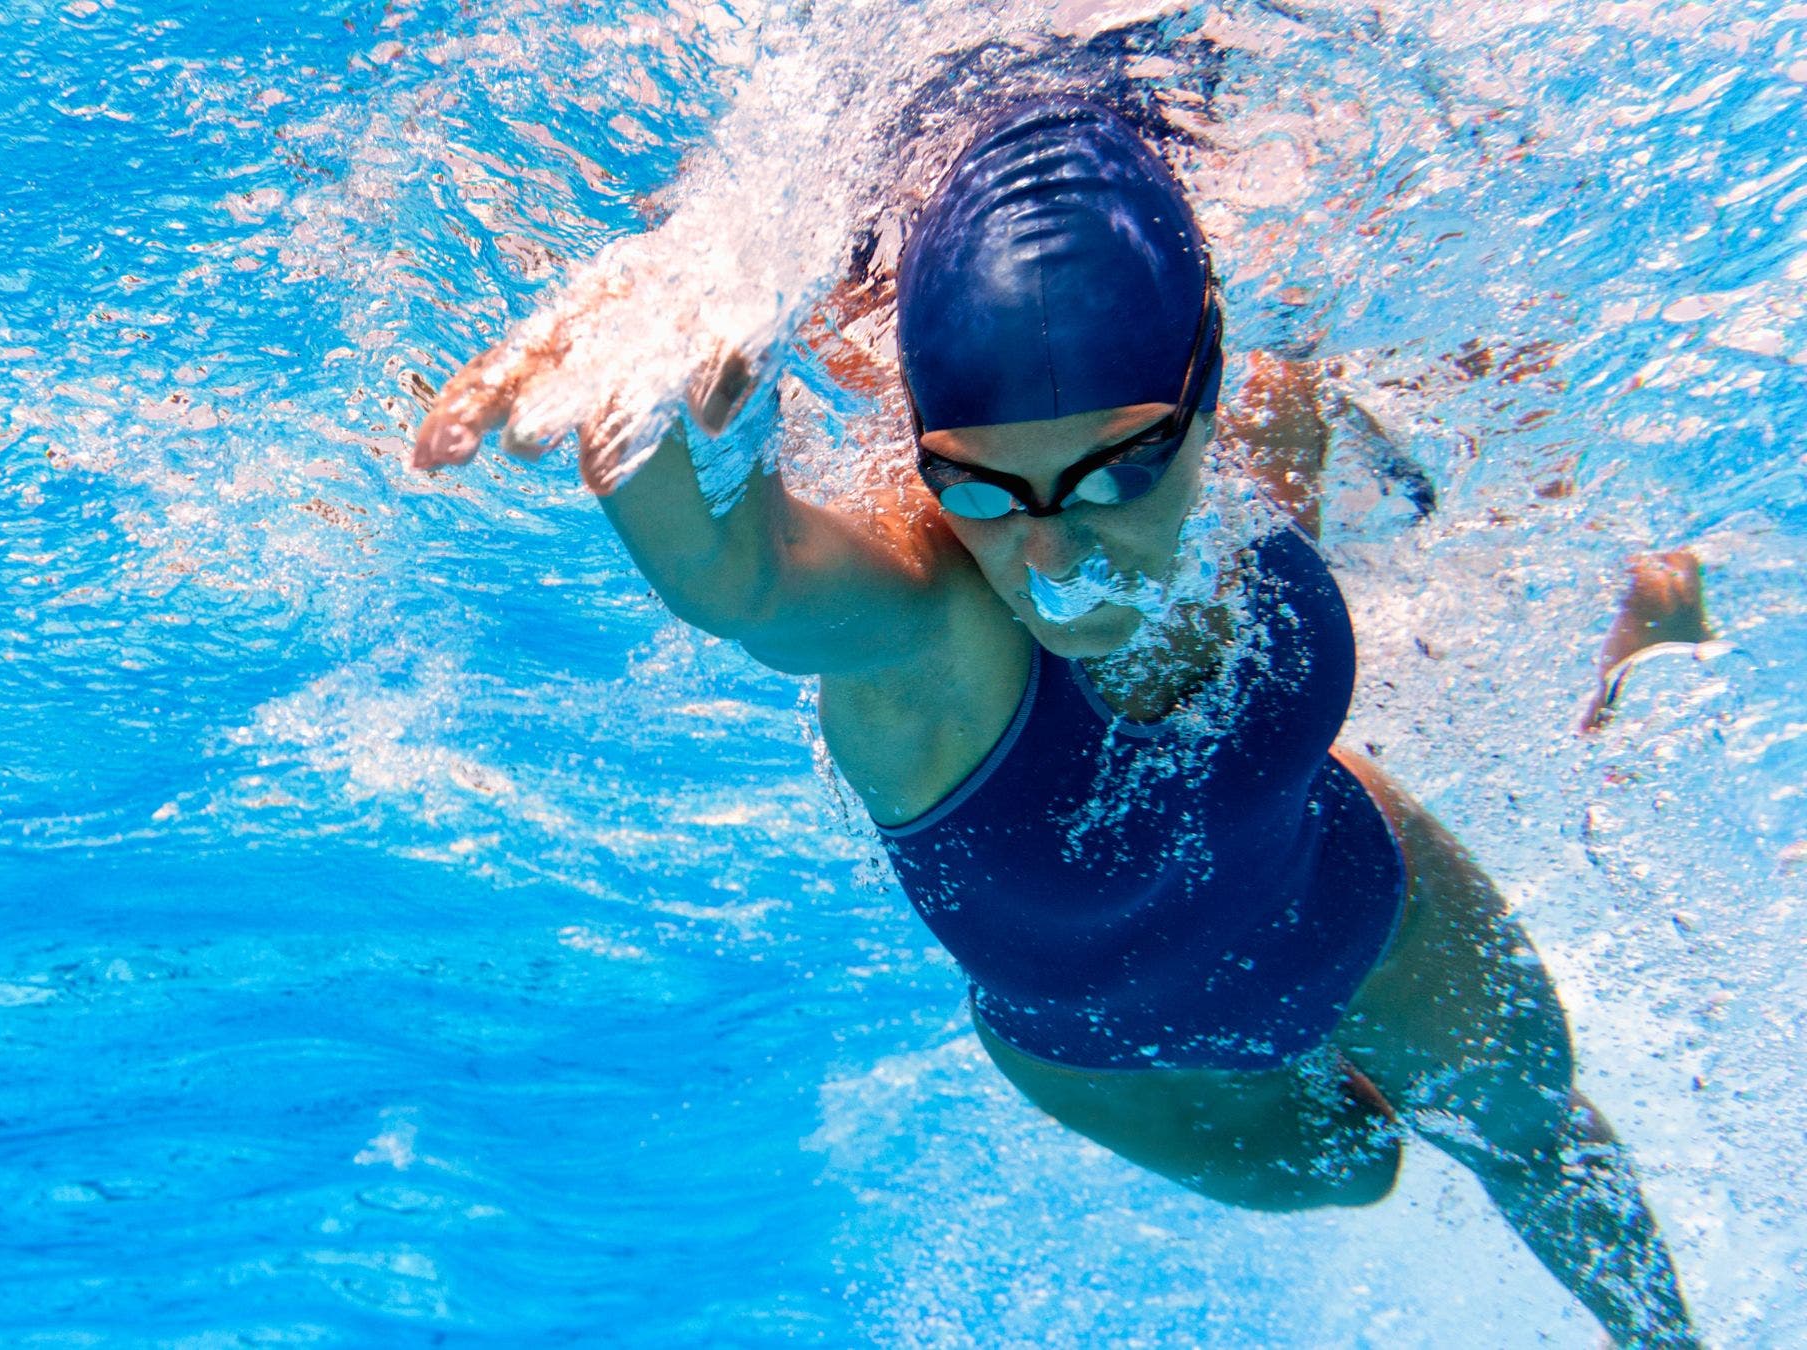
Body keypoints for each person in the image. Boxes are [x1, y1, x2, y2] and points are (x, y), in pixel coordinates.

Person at [413, 89, 1697, 1347]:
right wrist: (650, 354)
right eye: (980, 488)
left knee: (1538, 1137)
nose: (1053, 552)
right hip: (1113, 1053)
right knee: (1356, 1164)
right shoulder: (936, 629)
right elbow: (742, 575)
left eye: (1120, 471)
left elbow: (1444, 429)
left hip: (1352, 897)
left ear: (1205, 397)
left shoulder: (1257, 438)